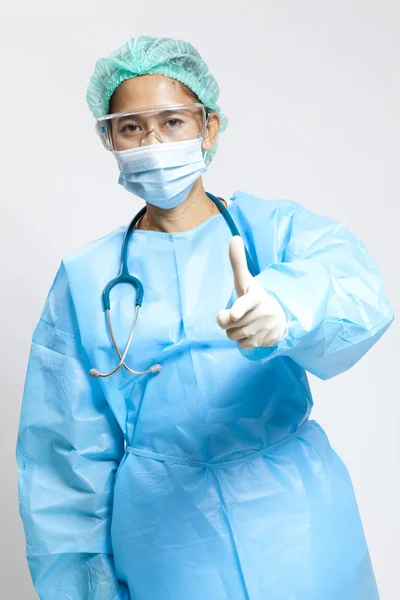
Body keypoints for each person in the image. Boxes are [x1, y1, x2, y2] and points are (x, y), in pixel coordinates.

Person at [16, 35, 394, 600]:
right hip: (166, 540)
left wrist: (287, 306)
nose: (153, 141)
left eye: (172, 122)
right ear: (109, 139)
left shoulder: (270, 233)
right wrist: (87, 589)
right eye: (131, 127)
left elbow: (357, 286)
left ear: (209, 126)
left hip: (294, 520)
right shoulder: (87, 277)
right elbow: (64, 458)